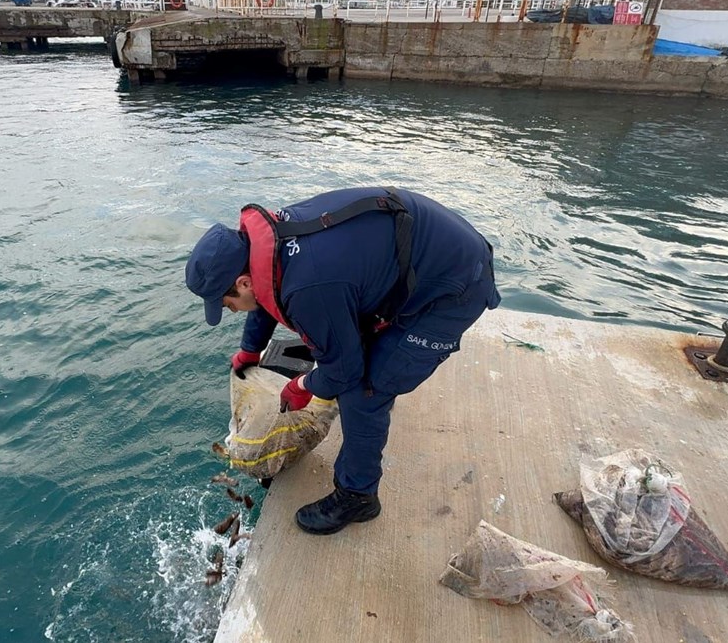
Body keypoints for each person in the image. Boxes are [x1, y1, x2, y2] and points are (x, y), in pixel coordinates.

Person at [185, 187, 500, 535]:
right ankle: (376, 410)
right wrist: (249, 350)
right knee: (362, 361)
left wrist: (301, 385)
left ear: (242, 282)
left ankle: (358, 496)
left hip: (455, 286)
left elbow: (344, 371)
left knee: (365, 389)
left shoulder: (308, 287)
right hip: (421, 254)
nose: (228, 311)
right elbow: (267, 295)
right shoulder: (270, 243)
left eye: (226, 304)